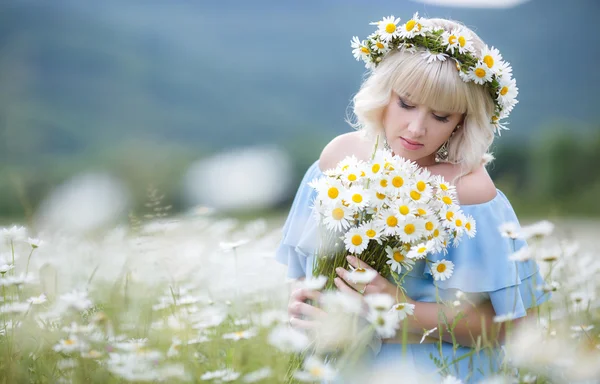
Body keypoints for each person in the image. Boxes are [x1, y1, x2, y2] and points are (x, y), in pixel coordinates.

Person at [275, 14, 550, 383]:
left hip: (440, 371)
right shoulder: (338, 160)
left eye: (440, 115)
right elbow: (301, 273)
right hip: (340, 368)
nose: (417, 128)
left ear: (462, 122)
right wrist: (301, 304)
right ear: (382, 94)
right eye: (406, 104)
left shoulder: (470, 192)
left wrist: (399, 308)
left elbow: (515, 326)